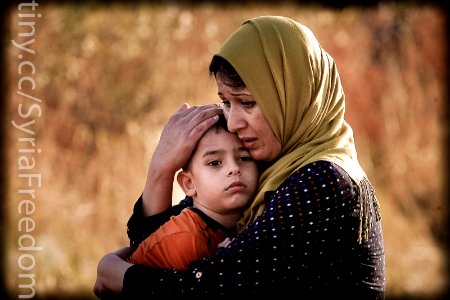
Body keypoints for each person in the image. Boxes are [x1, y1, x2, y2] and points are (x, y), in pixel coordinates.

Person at [94, 16, 385, 299]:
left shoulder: (321, 181)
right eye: (225, 102)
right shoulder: (270, 168)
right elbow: (162, 251)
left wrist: (115, 274)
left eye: (246, 102)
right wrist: (161, 168)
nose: (232, 123)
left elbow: (211, 289)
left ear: (293, 95)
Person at [126, 115, 258, 269]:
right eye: (215, 162)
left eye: (243, 158)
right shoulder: (186, 238)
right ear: (189, 184)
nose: (234, 168)